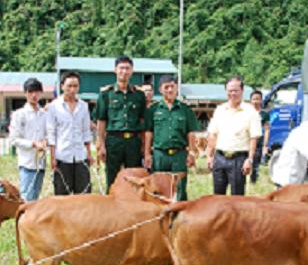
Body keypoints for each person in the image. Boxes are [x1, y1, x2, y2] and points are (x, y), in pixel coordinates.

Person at [144, 74, 200, 201]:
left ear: (177, 89)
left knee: (179, 188)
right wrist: (147, 154)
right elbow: (148, 133)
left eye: (172, 87)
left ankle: (178, 216)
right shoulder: (153, 109)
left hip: (179, 155)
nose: (170, 90)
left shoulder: (185, 110)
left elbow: (190, 133)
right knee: (158, 187)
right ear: (160, 90)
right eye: (166, 87)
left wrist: (191, 153)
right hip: (159, 155)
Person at [95, 56, 147, 191]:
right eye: (121, 68)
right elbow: (101, 120)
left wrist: (143, 145)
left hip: (133, 142)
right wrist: (100, 145)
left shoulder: (139, 95)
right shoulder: (106, 94)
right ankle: (111, 209)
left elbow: (142, 121)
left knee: (134, 178)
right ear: (115, 70)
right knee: (112, 179)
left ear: (132, 71)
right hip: (113, 141)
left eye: (127, 68)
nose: (124, 71)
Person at [206, 76, 261, 195]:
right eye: (230, 90)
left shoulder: (250, 111)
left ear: (242, 90)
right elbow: (213, 134)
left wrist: (250, 160)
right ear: (226, 91)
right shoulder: (220, 110)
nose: (233, 93)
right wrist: (209, 156)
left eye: (235, 90)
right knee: (218, 196)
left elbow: (254, 138)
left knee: (237, 198)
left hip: (239, 159)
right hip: (220, 158)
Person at [46, 71, 93, 195]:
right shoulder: (54, 106)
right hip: (62, 156)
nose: (72, 89)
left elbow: (86, 131)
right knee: (62, 194)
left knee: (83, 193)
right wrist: (52, 157)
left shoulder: (84, 106)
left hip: (80, 156)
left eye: (75, 86)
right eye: (69, 86)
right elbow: (51, 133)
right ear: (62, 86)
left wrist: (89, 153)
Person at [9, 78, 47, 201]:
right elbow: (14, 139)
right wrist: (33, 144)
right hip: (27, 163)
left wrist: (46, 142)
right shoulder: (19, 114)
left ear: (41, 93)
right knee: (26, 197)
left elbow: (49, 134)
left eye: (36, 92)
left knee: (36, 197)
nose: (34, 95)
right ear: (25, 93)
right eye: (30, 92)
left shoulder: (44, 114)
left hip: (41, 163)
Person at [250, 90, 270, 184]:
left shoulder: (264, 114)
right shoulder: (246, 112)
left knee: (255, 163)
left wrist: (265, 144)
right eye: (254, 99)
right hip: (246, 141)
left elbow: (266, 129)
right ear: (250, 100)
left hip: (258, 141)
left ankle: (253, 181)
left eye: (258, 99)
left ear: (261, 100)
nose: (256, 101)